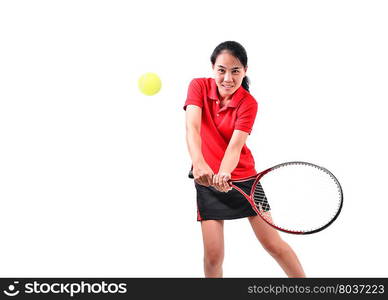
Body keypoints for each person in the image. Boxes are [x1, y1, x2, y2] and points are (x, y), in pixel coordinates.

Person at [184, 41, 305, 278]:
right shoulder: (197, 86)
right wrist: (199, 164)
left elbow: (235, 146)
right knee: (213, 257)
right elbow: (192, 127)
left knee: (273, 245)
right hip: (207, 181)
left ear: (245, 71)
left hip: (245, 181)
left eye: (235, 71)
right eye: (221, 70)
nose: (227, 78)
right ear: (213, 68)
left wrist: (225, 172)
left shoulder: (248, 103)